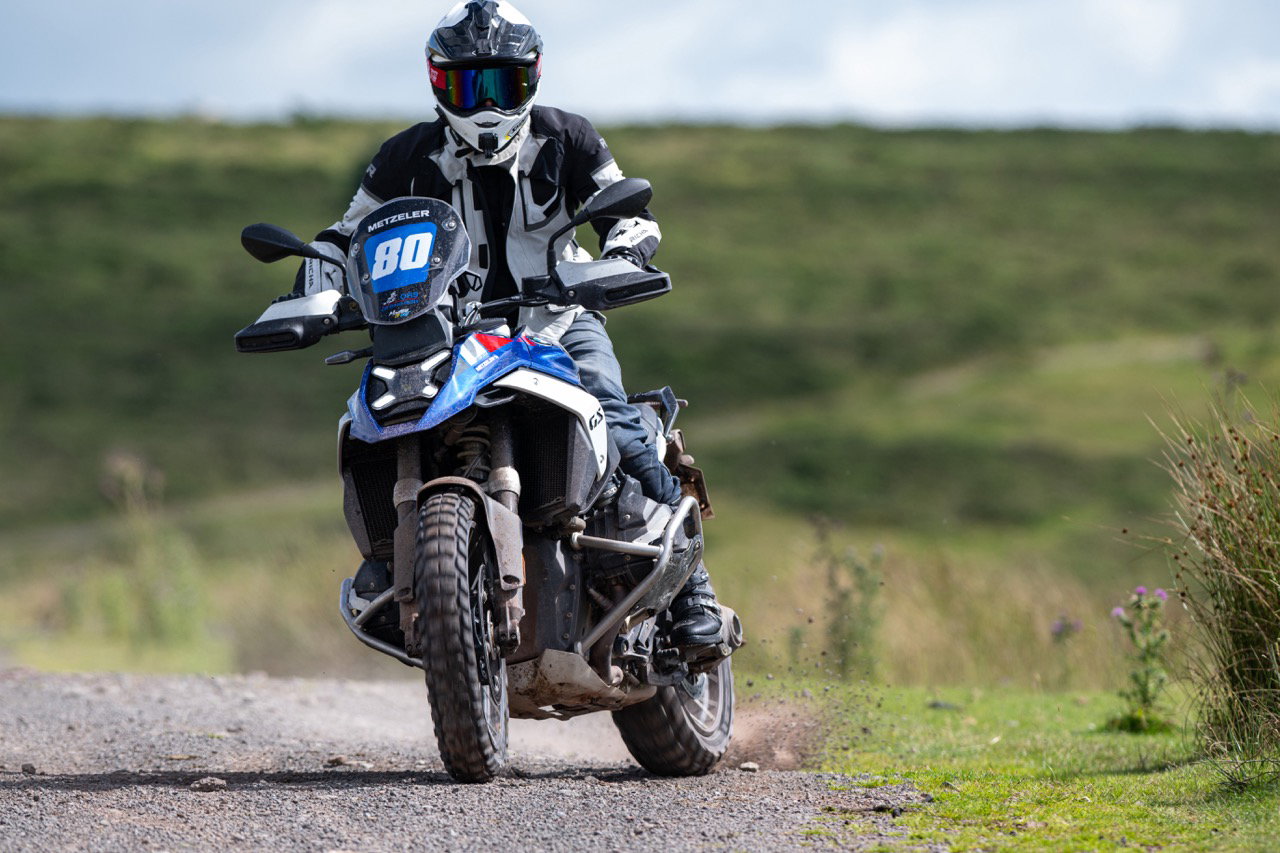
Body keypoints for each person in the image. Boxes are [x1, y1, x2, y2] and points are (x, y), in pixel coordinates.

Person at [291, 0, 724, 659]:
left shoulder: (568, 137)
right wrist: (319, 280)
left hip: (559, 323)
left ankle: (693, 597)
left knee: (615, 410)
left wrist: (626, 253)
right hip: (445, 337)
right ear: (441, 85)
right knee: (374, 418)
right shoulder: (404, 156)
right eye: (470, 84)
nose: (487, 101)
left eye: (502, 82)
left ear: (532, 78)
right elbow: (346, 235)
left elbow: (628, 213)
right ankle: (389, 560)